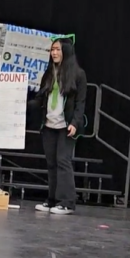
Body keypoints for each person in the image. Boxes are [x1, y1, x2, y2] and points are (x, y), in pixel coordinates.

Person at [28, 37, 87, 215]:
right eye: (52, 49)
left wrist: (75, 123)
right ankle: (52, 199)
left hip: (66, 125)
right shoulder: (49, 73)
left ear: (66, 52)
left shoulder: (78, 74)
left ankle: (67, 202)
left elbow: (80, 103)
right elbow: (40, 98)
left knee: (63, 161)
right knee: (51, 163)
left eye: (58, 50)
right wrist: (22, 102)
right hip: (49, 125)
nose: (54, 53)